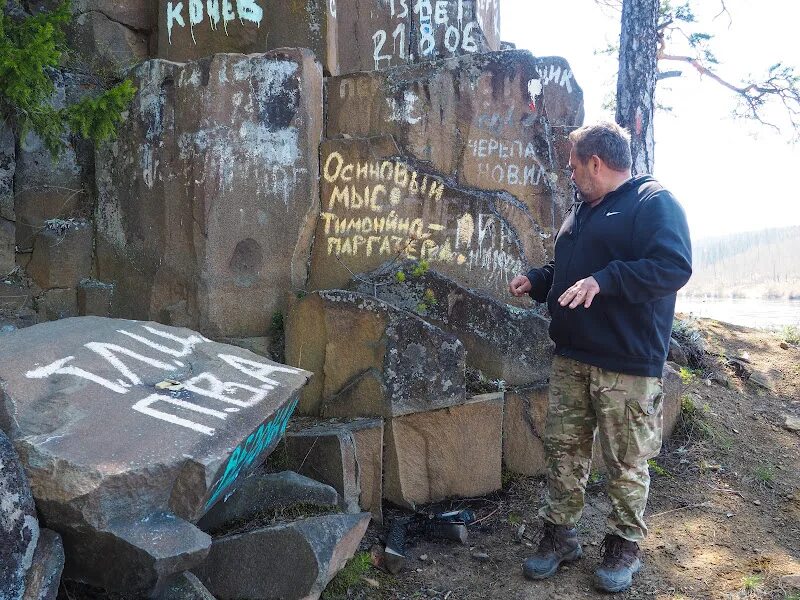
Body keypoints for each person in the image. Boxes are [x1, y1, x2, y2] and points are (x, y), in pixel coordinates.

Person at [509, 121, 692, 593]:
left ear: (595, 162)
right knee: (564, 452)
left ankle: (624, 543)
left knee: (626, 462)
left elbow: (673, 266)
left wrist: (606, 280)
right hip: (572, 358)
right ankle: (560, 534)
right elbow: (571, 272)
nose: (568, 173)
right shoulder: (583, 211)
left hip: (626, 366)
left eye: (573, 165)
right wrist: (539, 280)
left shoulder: (653, 203)